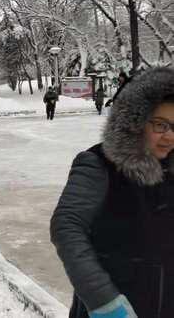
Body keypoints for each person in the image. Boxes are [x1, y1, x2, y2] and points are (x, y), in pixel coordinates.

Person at [50, 67, 174, 318]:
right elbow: (67, 226)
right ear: (136, 122)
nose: (170, 137)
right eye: (160, 125)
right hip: (122, 307)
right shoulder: (99, 163)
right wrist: (103, 300)